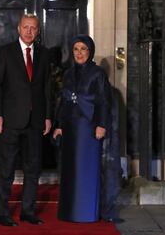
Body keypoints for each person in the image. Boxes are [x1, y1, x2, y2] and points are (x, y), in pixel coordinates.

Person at [53, 34, 121, 223]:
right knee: (71, 170)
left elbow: (103, 102)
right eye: (76, 49)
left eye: (83, 49)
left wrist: (101, 125)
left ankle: (86, 212)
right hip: (70, 128)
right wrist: (59, 126)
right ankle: (69, 211)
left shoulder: (97, 73)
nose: (79, 53)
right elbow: (64, 102)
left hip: (89, 128)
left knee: (87, 170)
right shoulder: (68, 73)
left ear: (90, 51)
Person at [0, 14, 52, 227]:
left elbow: (46, 88)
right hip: (10, 120)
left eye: (33, 28)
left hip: (35, 121)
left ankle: (28, 211)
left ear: (38, 31)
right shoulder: (5, 52)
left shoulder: (44, 55)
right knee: (6, 168)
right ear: (18, 28)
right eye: (25, 27)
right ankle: (2, 213)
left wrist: (47, 116)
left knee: (33, 169)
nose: (29, 31)